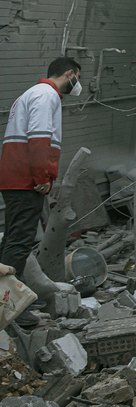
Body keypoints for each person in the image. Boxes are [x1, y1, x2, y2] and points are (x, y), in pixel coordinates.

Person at [0, 57, 79, 278]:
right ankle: (10, 303)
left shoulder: (31, 94)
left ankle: (7, 297)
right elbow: (38, 138)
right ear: (70, 74)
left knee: (11, 238)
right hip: (26, 180)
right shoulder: (47, 95)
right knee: (19, 242)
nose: (78, 83)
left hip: (14, 177)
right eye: (78, 77)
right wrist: (42, 178)